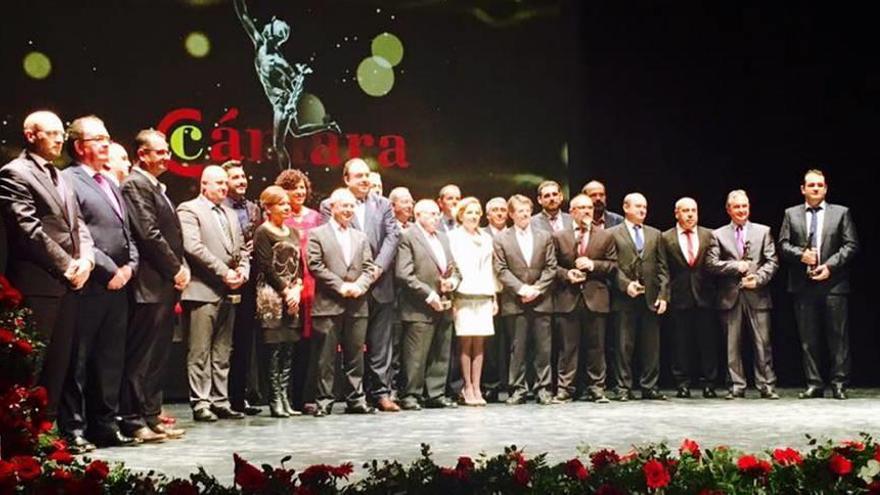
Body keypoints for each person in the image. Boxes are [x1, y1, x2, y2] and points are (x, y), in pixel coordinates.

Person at [0, 111, 95, 452]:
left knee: (59, 362)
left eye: (61, 133)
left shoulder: (61, 175)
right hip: (39, 283)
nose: (59, 139)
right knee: (33, 365)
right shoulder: (14, 173)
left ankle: (45, 432)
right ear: (30, 135)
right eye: (51, 133)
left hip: (69, 283)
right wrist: (68, 264)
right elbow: (28, 230)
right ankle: (22, 437)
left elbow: (78, 223)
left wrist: (87, 258)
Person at [60, 116, 139, 448]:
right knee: (79, 359)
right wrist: (111, 271)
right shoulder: (69, 180)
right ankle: (74, 427)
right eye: (99, 138)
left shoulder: (110, 182)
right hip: (91, 283)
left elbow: (127, 234)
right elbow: (81, 233)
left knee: (110, 358)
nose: (107, 143)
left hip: (120, 285)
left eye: (108, 136)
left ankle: (104, 424)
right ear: (80, 146)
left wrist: (130, 267)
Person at [120, 129, 188, 442]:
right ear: (142, 154)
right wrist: (175, 268)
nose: (166, 157)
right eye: (159, 152)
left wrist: (179, 267)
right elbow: (148, 233)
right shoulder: (135, 183)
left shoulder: (155, 186)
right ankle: (134, 420)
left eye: (166, 152)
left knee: (158, 355)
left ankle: (150, 415)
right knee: (142, 356)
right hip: (148, 283)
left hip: (163, 284)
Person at [319, 158, 400, 412]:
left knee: (380, 343)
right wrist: (355, 279)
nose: (365, 180)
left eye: (367, 175)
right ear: (346, 179)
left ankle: (381, 393)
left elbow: (393, 236)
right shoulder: (329, 205)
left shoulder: (384, 204)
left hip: (380, 282)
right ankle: (349, 396)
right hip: (347, 286)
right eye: (358, 176)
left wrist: (377, 268)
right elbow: (331, 243)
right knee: (348, 348)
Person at [778, 170, 859, 400]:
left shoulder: (841, 213)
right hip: (803, 285)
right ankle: (814, 383)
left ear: (825, 189)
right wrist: (801, 255)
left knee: (838, 336)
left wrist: (830, 267)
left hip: (834, 284)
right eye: (811, 185)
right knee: (808, 338)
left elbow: (851, 245)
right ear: (803, 189)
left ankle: (839, 383)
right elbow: (782, 244)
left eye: (820, 185)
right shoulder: (791, 214)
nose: (815, 188)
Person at [178, 165, 251, 421]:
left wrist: (242, 271)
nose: (223, 187)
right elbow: (193, 247)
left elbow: (241, 249)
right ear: (203, 184)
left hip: (229, 290)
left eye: (224, 183)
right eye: (218, 183)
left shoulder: (230, 213)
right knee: (200, 350)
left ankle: (221, 400)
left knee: (223, 350)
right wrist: (224, 272)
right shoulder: (189, 209)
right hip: (202, 289)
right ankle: (201, 402)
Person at [233, 0, 339, 169]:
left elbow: (298, 81)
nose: (265, 27)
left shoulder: (279, 61)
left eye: (269, 27)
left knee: (278, 145)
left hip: (281, 103)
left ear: (273, 35)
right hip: (279, 100)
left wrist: (291, 103)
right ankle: (328, 126)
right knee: (296, 131)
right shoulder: (259, 44)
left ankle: (286, 180)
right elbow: (244, 16)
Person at [308, 188, 377, 417]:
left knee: (355, 354)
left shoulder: (361, 237)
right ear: (332, 207)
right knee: (326, 357)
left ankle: (355, 399)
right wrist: (340, 285)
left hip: (357, 304)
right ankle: (324, 400)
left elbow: (369, 268)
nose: (348, 210)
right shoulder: (318, 234)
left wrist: (360, 286)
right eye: (343, 206)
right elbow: (315, 265)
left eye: (351, 206)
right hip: (329, 303)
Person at [706, 190, 779, 400]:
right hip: (730, 296)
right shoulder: (718, 235)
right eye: (737, 207)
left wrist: (758, 278)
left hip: (758, 294)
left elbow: (772, 261)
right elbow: (711, 264)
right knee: (732, 345)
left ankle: (766, 385)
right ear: (729, 209)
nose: (741, 211)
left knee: (762, 343)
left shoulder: (763, 231)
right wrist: (735, 266)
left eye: (744, 206)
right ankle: (736, 385)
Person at [395, 199, 460, 410]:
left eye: (437, 214)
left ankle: (436, 393)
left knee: (441, 351)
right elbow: (404, 273)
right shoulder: (408, 237)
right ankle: (411, 394)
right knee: (416, 355)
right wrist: (428, 294)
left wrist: (453, 281)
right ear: (418, 215)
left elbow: (454, 269)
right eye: (431, 214)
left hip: (444, 302)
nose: (436, 217)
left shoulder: (443, 238)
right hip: (419, 306)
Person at [551, 194, 616, 403]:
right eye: (581, 208)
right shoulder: (560, 236)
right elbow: (552, 266)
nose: (587, 211)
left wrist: (593, 265)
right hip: (567, 298)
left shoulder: (605, 236)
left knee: (596, 347)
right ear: (572, 212)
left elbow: (613, 265)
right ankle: (565, 389)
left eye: (589, 208)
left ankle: (597, 388)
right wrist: (567, 274)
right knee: (567, 348)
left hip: (595, 297)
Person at [494, 195, 557, 405]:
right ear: (511, 214)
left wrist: (537, 288)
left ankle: (543, 389)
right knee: (517, 347)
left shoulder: (544, 235)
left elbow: (551, 266)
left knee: (543, 347)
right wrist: (521, 289)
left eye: (527, 210)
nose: (524, 214)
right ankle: (518, 389)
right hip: (515, 300)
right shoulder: (501, 238)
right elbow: (501, 269)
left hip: (541, 299)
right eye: (520, 210)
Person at [607, 193, 669, 401]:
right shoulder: (612, 233)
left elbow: (663, 268)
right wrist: (626, 285)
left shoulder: (655, 234)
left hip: (650, 297)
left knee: (651, 346)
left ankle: (649, 386)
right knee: (624, 345)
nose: (643, 210)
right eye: (638, 207)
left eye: (645, 207)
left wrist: (663, 295)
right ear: (626, 208)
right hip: (625, 298)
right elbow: (612, 266)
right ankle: (623, 387)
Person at [660, 197, 719, 399]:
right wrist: (665, 296)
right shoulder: (665, 237)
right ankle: (682, 383)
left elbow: (714, 267)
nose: (690, 214)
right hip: (679, 297)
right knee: (680, 343)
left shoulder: (708, 234)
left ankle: (709, 383)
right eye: (686, 210)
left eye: (693, 210)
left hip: (705, 297)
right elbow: (664, 270)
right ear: (677, 213)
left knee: (708, 343)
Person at [253, 185, 303, 417]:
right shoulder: (263, 232)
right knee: (273, 350)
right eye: (281, 204)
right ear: (269, 207)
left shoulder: (293, 233)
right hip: (272, 297)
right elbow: (266, 267)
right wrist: (285, 291)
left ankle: (286, 398)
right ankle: (274, 400)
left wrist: (297, 289)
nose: (286, 207)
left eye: (287, 203)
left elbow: (299, 267)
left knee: (288, 350)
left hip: (292, 297)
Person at [276, 169, 323, 411]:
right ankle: (285, 397)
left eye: (303, 187)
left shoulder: (316, 217)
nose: (300, 192)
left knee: (311, 343)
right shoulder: (279, 219)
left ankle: (307, 397)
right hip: (289, 286)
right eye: (295, 188)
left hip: (314, 286)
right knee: (288, 342)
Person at [222, 160, 263, 416]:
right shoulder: (219, 208)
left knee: (244, 341)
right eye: (235, 177)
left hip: (249, 280)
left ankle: (240, 396)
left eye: (243, 176)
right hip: (225, 278)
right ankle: (220, 397)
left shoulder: (252, 208)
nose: (241, 181)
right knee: (224, 340)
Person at [448, 197, 497, 406]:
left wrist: (494, 297)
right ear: (461, 215)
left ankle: (477, 386)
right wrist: (452, 300)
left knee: (480, 343)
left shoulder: (486, 237)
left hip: (484, 294)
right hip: (463, 295)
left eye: (477, 212)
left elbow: (490, 268)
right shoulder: (453, 237)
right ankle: (466, 386)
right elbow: (451, 269)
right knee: (465, 343)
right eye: (470, 212)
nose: (474, 216)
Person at [480, 197, 509, 402]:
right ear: (488, 214)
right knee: (491, 342)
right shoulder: (481, 235)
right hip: (490, 293)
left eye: (503, 210)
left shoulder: (514, 233)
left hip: (514, 293)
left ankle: (511, 383)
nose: (499, 213)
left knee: (512, 341)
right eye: (495, 210)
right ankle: (490, 384)